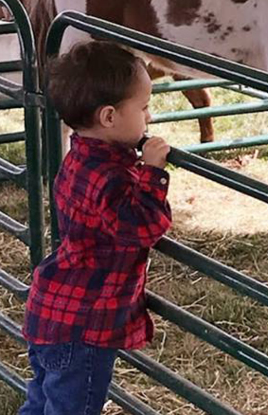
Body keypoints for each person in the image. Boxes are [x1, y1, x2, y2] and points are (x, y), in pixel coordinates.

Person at [19, 42, 172, 415]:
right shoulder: (107, 178)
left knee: (40, 404)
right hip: (81, 329)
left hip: (57, 314)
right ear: (109, 117)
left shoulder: (81, 159)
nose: (148, 118)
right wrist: (152, 173)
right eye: (143, 108)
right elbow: (145, 226)